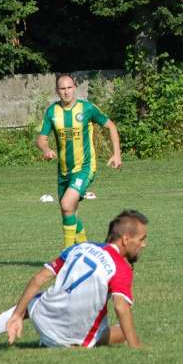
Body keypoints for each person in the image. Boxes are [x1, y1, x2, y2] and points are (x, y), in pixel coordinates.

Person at [0, 210, 148, 352]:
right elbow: (121, 308)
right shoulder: (120, 267)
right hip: (73, 338)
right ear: (125, 238)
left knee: (29, 302)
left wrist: (17, 315)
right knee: (123, 332)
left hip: (44, 318)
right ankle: (70, 344)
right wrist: (136, 347)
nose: (143, 245)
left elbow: (38, 279)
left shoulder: (81, 247)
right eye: (141, 239)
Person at [36, 74, 122, 247]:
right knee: (69, 213)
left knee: (67, 205)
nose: (66, 92)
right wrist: (46, 149)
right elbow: (41, 138)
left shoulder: (87, 108)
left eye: (69, 88)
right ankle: (85, 249)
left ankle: (68, 255)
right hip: (63, 171)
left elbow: (111, 126)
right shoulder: (52, 112)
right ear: (57, 91)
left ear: (75, 88)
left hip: (84, 167)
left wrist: (117, 154)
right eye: (62, 88)